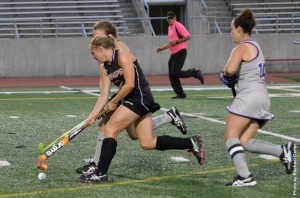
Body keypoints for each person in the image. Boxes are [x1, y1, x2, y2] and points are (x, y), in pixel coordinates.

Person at [79, 35, 205, 183]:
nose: (93, 57)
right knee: (147, 142)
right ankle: (191, 142)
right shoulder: (105, 67)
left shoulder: (122, 56)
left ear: (100, 49)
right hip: (130, 99)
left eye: (93, 53)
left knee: (110, 129)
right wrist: (91, 117)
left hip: (140, 97)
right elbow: (103, 95)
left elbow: (130, 84)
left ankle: (101, 173)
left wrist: (114, 102)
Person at [220, 9, 295, 187]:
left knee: (231, 136)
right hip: (262, 96)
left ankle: (245, 176)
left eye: (232, 29)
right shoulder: (256, 45)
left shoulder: (241, 48)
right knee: (245, 141)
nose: (231, 33)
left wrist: (226, 75)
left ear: (239, 29)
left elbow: (229, 70)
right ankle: (282, 151)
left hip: (249, 96)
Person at [157, 11, 204, 99]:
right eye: (168, 18)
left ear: (175, 18)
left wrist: (177, 41)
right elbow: (171, 43)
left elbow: (188, 36)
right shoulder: (169, 28)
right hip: (173, 54)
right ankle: (180, 94)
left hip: (181, 52)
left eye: (171, 18)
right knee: (172, 75)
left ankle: (195, 72)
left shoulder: (177, 25)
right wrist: (161, 48)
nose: (170, 19)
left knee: (175, 72)